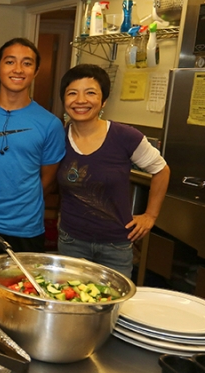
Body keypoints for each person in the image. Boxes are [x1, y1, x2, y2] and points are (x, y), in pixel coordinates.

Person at [0, 37, 66, 261]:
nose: (18, 69)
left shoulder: (50, 124)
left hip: (26, 229)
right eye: (10, 62)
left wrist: (21, 202)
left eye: (27, 63)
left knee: (21, 293)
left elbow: (47, 180)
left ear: (35, 72)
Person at [56, 64, 170, 277]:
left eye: (90, 93)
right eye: (72, 93)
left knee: (112, 305)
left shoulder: (124, 136)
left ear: (103, 101)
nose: (80, 100)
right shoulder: (57, 138)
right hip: (72, 242)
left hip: (115, 245)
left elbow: (161, 170)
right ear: (64, 100)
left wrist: (150, 215)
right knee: (72, 305)